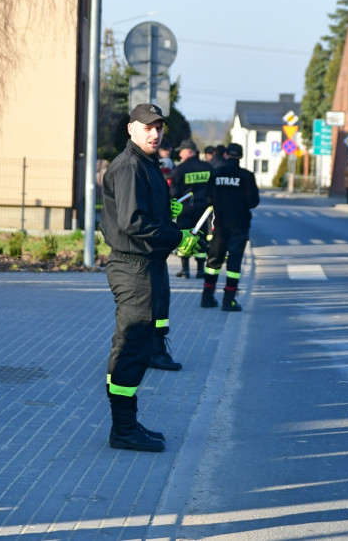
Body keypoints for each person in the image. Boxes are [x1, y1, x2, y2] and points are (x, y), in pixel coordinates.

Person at [100, 103, 198, 452]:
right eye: (146, 127)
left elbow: (143, 214)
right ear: (131, 129)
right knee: (131, 346)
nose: (154, 133)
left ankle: (127, 423)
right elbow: (131, 223)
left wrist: (165, 213)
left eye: (158, 127)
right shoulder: (129, 167)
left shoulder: (147, 164)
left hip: (146, 265)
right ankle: (122, 429)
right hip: (133, 266)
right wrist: (177, 237)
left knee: (138, 346)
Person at [200, 143, 260, 312]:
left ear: (226, 154)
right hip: (239, 225)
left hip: (218, 224)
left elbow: (207, 197)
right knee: (234, 263)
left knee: (213, 260)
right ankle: (229, 300)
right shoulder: (246, 176)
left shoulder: (216, 173)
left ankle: (207, 297)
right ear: (240, 157)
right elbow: (253, 202)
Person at [170, 139, 211, 280]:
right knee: (201, 237)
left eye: (181, 152)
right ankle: (200, 271)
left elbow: (174, 191)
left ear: (190, 152)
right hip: (203, 209)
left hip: (185, 208)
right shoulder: (207, 167)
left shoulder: (180, 169)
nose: (180, 155)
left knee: (184, 237)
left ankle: (185, 270)